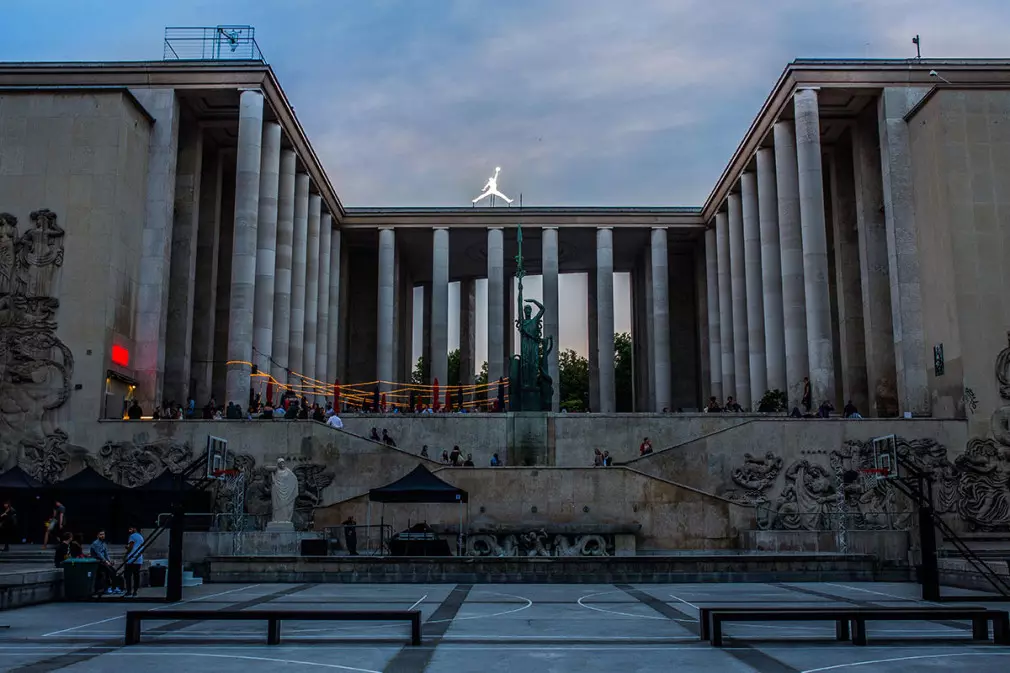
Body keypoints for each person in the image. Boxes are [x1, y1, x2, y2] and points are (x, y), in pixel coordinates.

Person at [90, 529, 120, 596]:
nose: (102, 536)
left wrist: (109, 561)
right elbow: (99, 554)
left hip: (103, 562)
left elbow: (106, 554)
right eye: (101, 534)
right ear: (97, 535)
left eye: (103, 534)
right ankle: (108, 588)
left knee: (113, 571)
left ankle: (114, 587)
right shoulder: (95, 543)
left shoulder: (104, 543)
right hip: (97, 561)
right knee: (108, 572)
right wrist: (106, 561)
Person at [124, 525, 144, 598]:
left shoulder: (132, 536)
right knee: (136, 575)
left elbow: (131, 546)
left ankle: (129, 591)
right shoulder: (141, 537)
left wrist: (126, 553)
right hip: (139, 559)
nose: (129, 531)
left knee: (128, 575)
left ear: (135, 529)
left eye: (131, 529)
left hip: (131, 558)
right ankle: (135, 591)